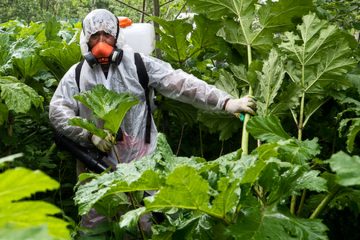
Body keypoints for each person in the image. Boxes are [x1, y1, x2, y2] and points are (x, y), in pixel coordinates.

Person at [49, 8, 256, 235]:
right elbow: (58, 110)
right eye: (94, 36)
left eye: (106, 35)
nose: (101, 42)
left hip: (140, 164)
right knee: (94, 228)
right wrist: (89, 135)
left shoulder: (138, 65)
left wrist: (227, 102)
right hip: (95, 165)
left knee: (142, 224)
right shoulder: (77, 74)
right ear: (85, 40)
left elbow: (181, 83)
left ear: (117, 36)